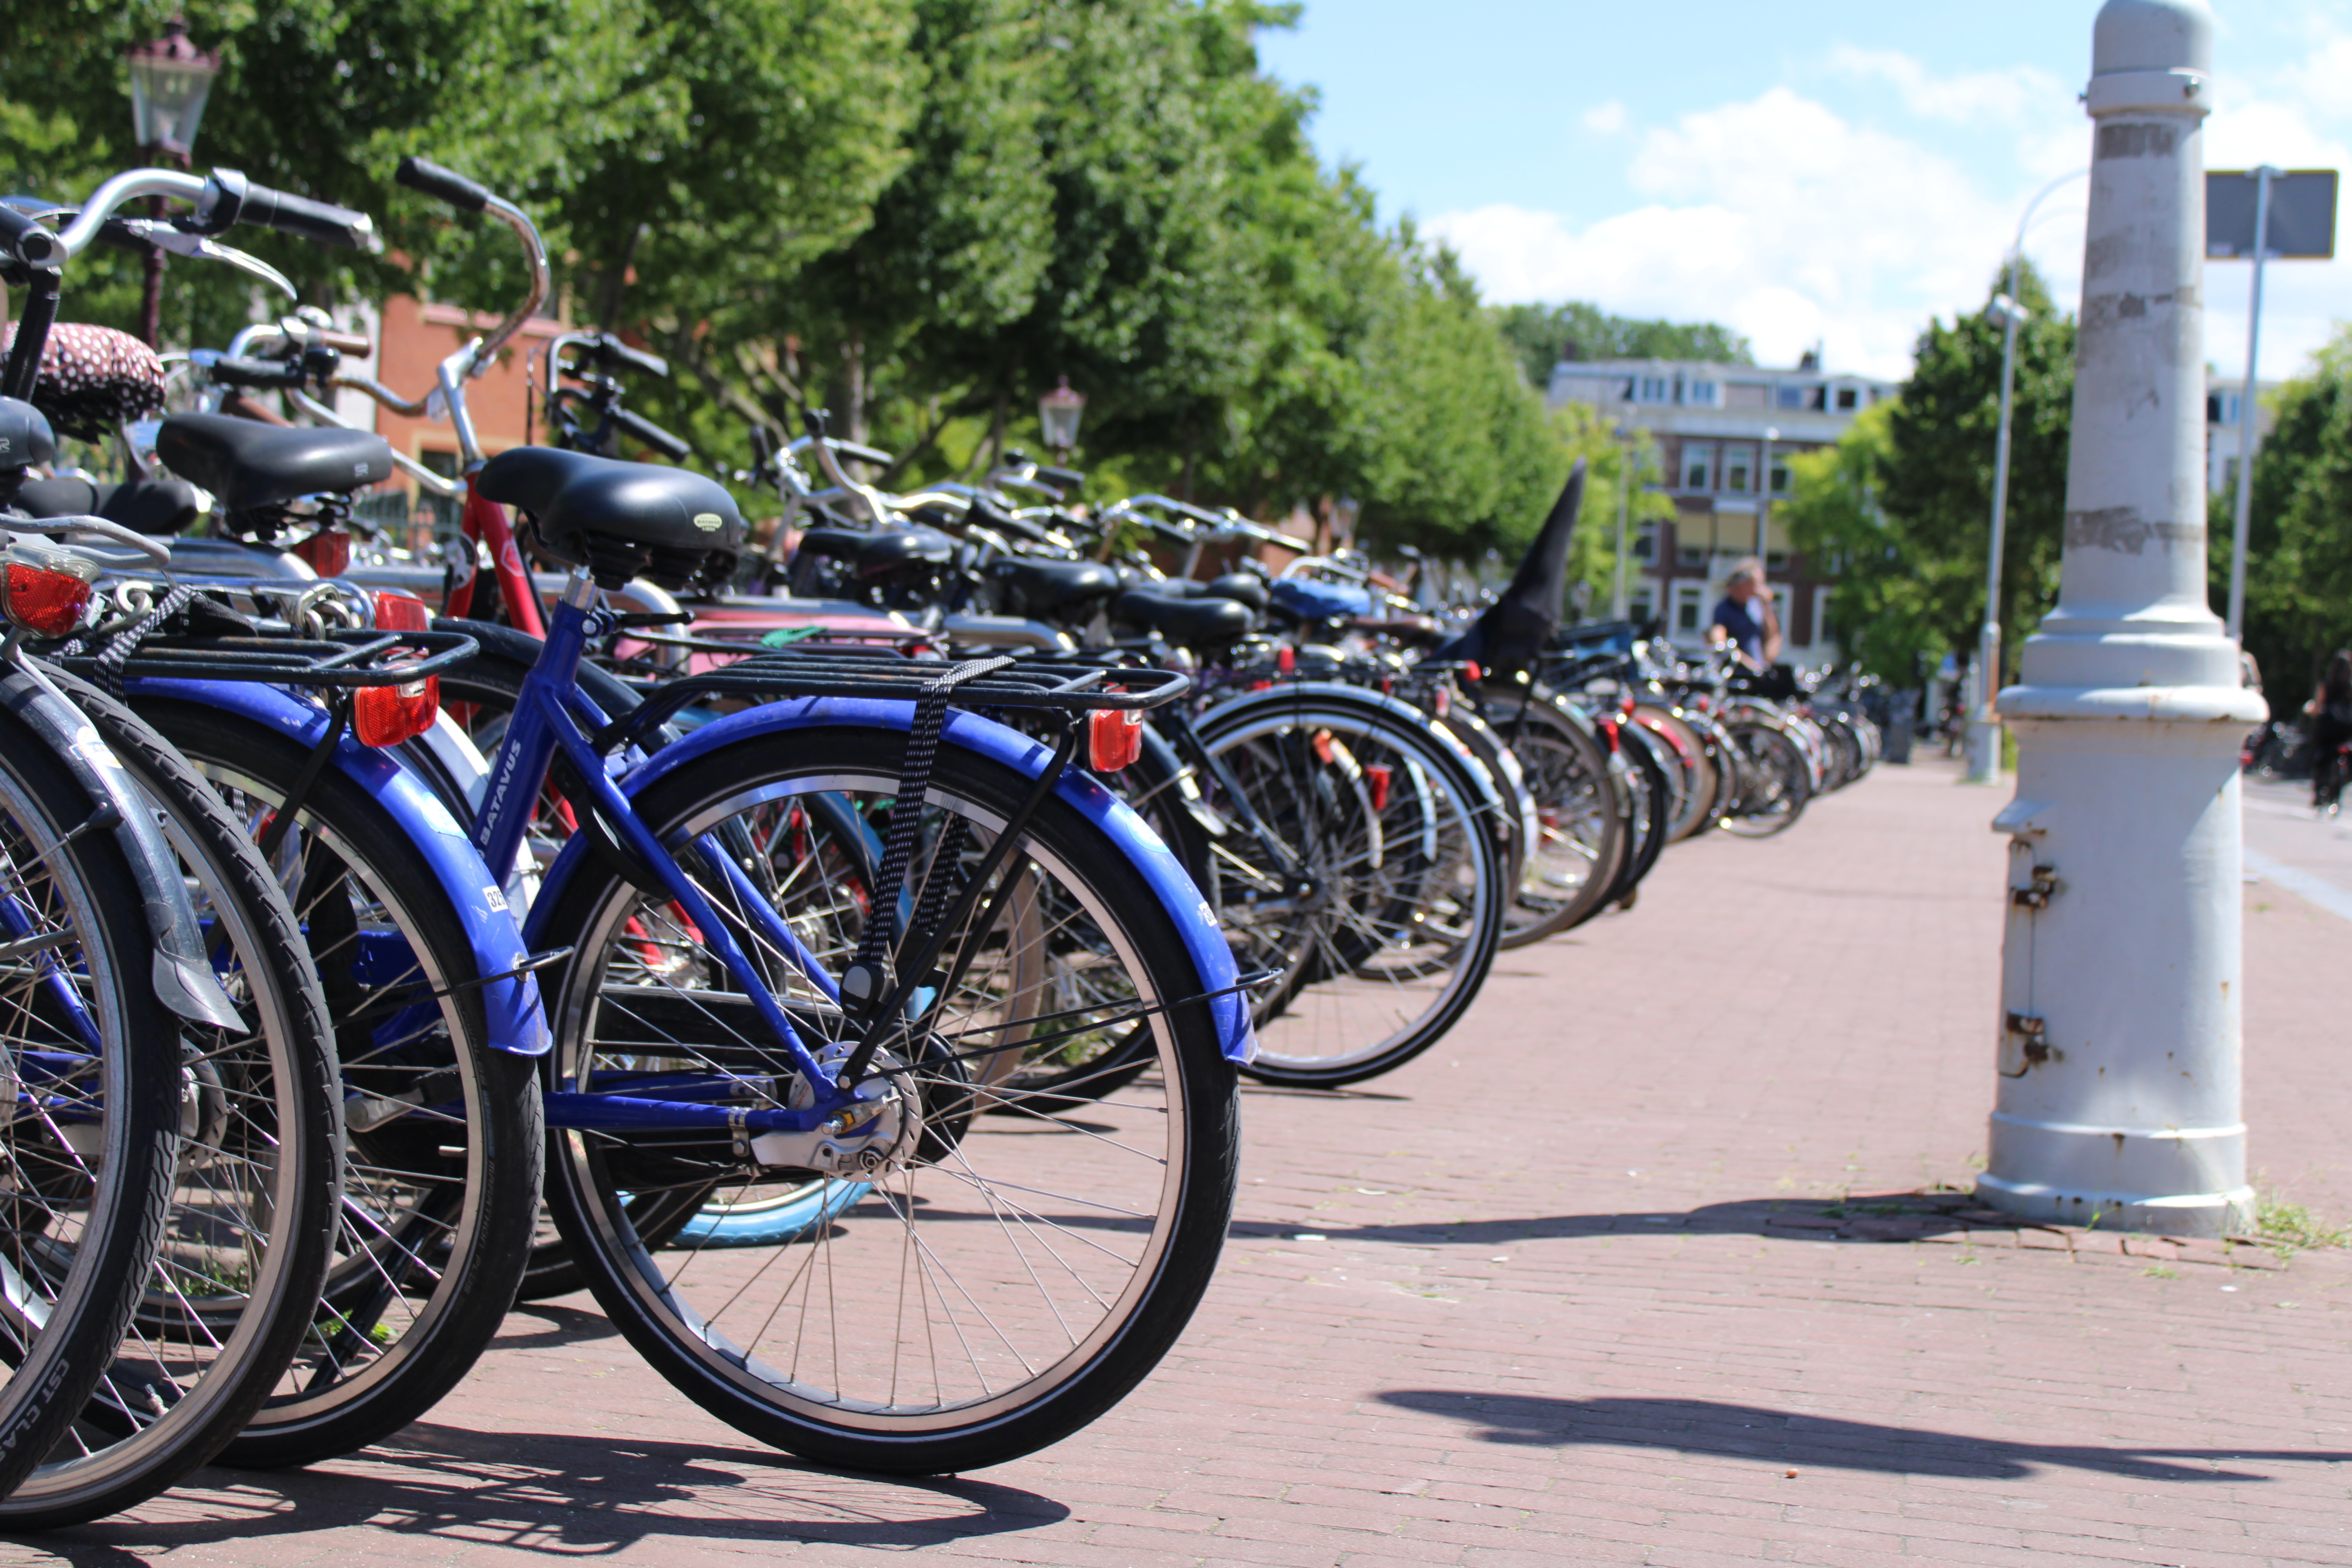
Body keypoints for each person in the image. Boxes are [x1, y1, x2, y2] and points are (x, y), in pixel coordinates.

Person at [1708, 559, 1783, 671]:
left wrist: (1767, 607)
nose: (1759, 589)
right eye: (1756, 583)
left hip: (1759, 670)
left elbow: (1773, 636)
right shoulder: (1724, 608)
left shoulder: (1757, 607)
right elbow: (1718, 639)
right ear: (1743, 584)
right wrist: (1748, 663)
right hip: (1737, 671)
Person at [2305, 649, 2352, 809]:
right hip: (2347, 727)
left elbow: (2318, 706)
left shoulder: (2326, 684)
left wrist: (2312, 711)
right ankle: (2340, 787)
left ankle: (2319, 792)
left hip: (2329, 726)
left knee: (2321, 756)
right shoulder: (2350, 686)